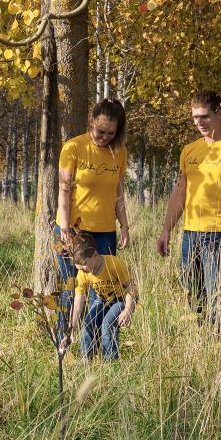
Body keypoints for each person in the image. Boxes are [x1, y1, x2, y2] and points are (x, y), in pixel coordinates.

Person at [157, 90, 221, 336]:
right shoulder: (189, 150)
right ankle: (199, 341)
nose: (199, 122)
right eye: (195, 118)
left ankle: (218, 344)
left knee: (217, 296)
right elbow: (180, 193)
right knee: (192, 294)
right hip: (190, 235)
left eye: (205, 116)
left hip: (218, 235)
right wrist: (166, 230)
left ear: (218, 113)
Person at [55, 98, 129, 339]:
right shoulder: (73, 148)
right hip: (75, 231)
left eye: (110, 132)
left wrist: (124, 225)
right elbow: (64, 191)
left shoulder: (118, 152)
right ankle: (64, 341)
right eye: (100, 130)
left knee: (104, 290)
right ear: (91, 122)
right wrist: (65, 230)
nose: (104, 137)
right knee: (70, 287)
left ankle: (97, 345)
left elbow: (118, 191)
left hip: (105, 231)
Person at [62, 234, 136, 361]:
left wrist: (128, 309)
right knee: (88, 323)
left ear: (95, 255)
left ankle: (110, 362)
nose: (81, 268)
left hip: (119, 300)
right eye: (77, 266)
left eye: (84, 264)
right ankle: (87, 360)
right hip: (101, 299)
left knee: (107, 324)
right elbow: (79, 299)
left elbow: (131, 288)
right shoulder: (82, 273)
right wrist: (72, 326)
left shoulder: (113, 264)